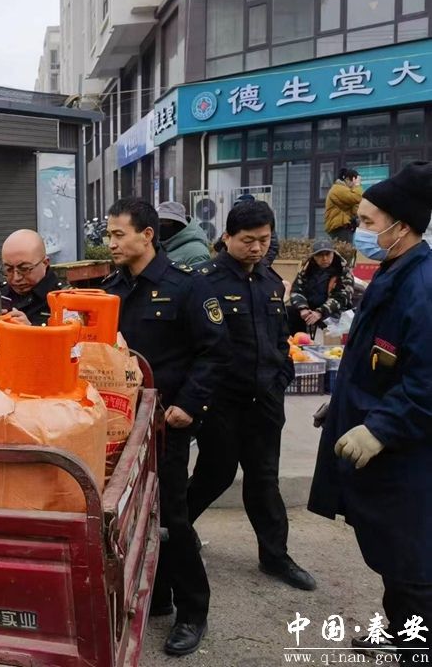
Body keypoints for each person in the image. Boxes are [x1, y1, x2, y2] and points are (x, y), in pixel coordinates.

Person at [308, 162, 432, 654]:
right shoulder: (394, 272)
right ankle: (403, 636)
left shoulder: (422, 288)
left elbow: (425, 382)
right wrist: (341, 406)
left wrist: (378, 428)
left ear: (401, 226)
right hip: (387, 450)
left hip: (409, 457)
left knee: (413, 566)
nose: (357, 231)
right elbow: (374, 361)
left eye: (366, 222)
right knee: (393, 558)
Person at [102, 198, 229, 657]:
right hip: (123, 429)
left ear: (147, 235)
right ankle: (157, 595)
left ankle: (193, 611)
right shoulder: (113, 289)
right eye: (109, 235)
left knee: (172, 518)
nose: (110, 243)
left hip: (165, 425)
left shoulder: (187, 286)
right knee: (133, 518)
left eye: (119, 234)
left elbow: (215, 351)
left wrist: (190, 405)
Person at [187, 201, 317, 593]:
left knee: (264, 479)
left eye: (264, 239)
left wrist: (282, 376)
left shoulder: (270, 281)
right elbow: (194, 345)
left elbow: (280, 338)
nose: (257, 247)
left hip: (266, 400)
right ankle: (173, 531)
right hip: (222, 403)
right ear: (227, 237)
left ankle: (275, 556)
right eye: (248, 240)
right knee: (215, 473)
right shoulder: (204, 282)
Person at [0, 229, 66, 326]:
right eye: (8, 269)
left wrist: (31, 331)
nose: (16, 278)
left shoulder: (67, 300)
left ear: (45, 263)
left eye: (24, 269)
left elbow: (75, 335)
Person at [287, 240, 354, 335]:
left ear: (333, 254)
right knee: (288, 312)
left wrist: (320, 312)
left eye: (328, 254)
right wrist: (302, 308)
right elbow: (296, 290)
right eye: (320, 255)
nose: (324, 258)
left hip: (333, 311)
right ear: (314, 257)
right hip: (310, 309)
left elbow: (342, 297)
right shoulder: (307, 270)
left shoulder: (343, 270)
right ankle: (296, 341)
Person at [157, 201, 211, 266]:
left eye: (166, 221)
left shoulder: (196, 251)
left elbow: (199, 273)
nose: (160, 225)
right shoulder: (160, 247)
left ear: (180, 224)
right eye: (157, 221)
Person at [324, 168, 363, 244]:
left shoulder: (346, 190)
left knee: (348, 250)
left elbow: (355, 209)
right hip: (339, 227)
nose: (357, 184)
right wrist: (357, 186)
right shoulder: (338, 189)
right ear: (347, 179)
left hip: (345, 227)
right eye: (355, 181)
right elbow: (357, 197)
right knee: (345, 250)